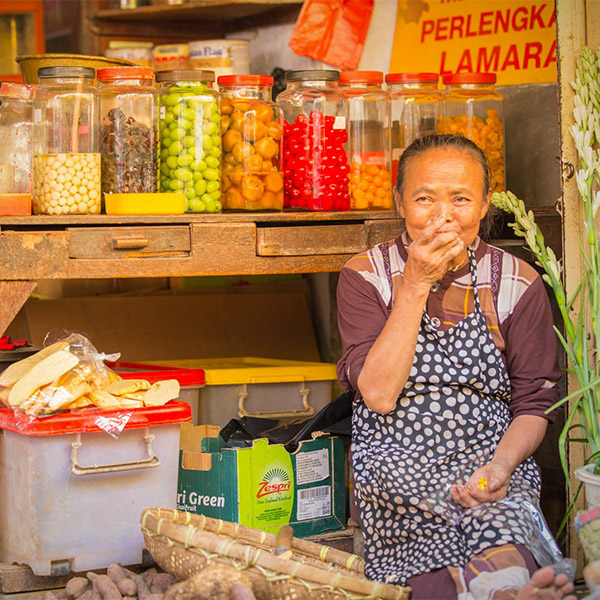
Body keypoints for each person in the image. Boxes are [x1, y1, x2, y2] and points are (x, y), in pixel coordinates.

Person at [336, 134, 576, 600]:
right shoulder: (366, 276)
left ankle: (507, 589)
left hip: (489, 463)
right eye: (424, 198)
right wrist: (415, 283)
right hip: (397, 466)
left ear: (486, 204)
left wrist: (501, 467)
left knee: (502, 527)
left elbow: (533, 406)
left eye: (461, 199)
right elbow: (379, 395)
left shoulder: (516, 281)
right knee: (427, 557)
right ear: (398, 203)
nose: (443, 216)